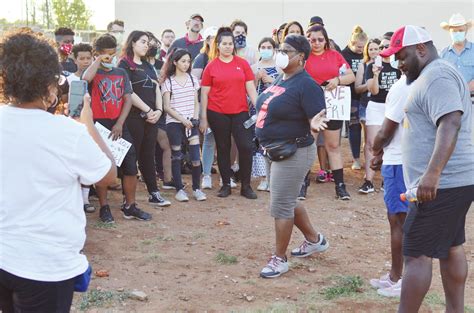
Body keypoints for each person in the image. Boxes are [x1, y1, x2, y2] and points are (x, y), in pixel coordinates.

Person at [0, 29, 116, 313]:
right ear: (49, 84)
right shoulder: (68, 133)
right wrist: (87, 123)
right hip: (45, 265)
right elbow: (107, 175)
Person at [382, 25, 474, 312]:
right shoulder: (430, 76)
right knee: (450, 245)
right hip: (450, 181)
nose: (398, 63)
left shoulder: (438, 75)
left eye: (402, 55)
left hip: (441, 184)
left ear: (421, 48)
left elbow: (450, 121)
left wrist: (431, 175)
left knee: (416, 254)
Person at [256, 35, 330, 278]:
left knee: (281, 205)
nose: (281, 53)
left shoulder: (306, 85)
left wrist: (316, 122)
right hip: (274, 149)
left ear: (301, 57)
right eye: (281, 49)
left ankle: (280, 259)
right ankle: (314, 239)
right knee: (285, 198)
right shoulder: (282, 77)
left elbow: (317, 115)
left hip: (293, 151)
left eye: (287, 50)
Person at [82, 34, 154, 223]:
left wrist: (120, 123)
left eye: (112, 54)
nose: (110, 58)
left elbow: (127, 98)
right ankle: (104, 206)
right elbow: (85, 78)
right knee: (102, 164)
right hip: (98, 125)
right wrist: (97, 60)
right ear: (97, 54)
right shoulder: (94, 72)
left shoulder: (120, 73)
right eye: (105, 55)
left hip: (118, 124)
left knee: (131, 163)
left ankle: (129, 205)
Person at [199, 27, 258, 199]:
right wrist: (203, 118)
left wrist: (261, 108)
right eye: (224, 44)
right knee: (223, 148)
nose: (227, 47)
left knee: (246, 147)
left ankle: (246, 186)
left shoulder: (243, 64)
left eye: (230, 44)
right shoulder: (211, 67)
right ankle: (225, 184)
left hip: (240, 112)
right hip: (217, 113)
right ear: (217, 45)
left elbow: (251, 90)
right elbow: (204, 93)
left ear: (234, 45)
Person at [118, 30, 171, 207]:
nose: (146, 45)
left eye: (147, 42)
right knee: (131, 158)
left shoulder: (148, 65)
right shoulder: (124, 64)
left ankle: (154, 193)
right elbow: (128, 91)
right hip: (133, 118)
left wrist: (158, 110)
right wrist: (147, 110)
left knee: (148, 156)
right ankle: (128, 200)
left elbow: (156, 88)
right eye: (142, 41)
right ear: (132, 43)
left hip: (152, 118)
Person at [368, 75, 410, 298]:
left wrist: (376, 150)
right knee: (399, 219)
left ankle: (401, 278)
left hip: (399, 162)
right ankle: (396, 276)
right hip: (400, 158)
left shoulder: (401, 86)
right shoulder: (414, 83)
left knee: (398, 220)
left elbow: (386, 129)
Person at [305, 25, 355, 200]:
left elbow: (351, 76)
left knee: (333, 146)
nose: (316, 43)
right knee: (308, 144)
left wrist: (338, 79)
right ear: (307, 40)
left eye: (320, 39)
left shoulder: (335, 55)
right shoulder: (303, 57)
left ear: (325, 40)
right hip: (310, 106)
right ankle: (303, 182)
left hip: (332, 105)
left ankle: (340, 185)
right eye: (312, 39)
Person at [162, 49, 206, 202]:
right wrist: (182, 119)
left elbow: (196, 102)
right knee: (177, 156)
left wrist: (194, 118)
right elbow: (166, 106)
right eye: (183, 61)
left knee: (195, 157)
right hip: (174, 123)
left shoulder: (193, 80)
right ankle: (179, 189)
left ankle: (197, 188)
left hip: (190, 123)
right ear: (175, 62)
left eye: (188, 61)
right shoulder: (168, 82)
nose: (186, 64)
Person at [359, 35, 401, 194]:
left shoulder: (399, 66)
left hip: (393, 107)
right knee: (371, 142)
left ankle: (386, 178)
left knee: (391, 142)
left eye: (386, 47)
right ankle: (368, 180)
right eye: (381, 47)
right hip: (376, 106)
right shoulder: (371, 66)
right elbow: (374, 90)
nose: (383, 50)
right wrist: (376, 74)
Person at [251, 37, 280, 192]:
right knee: (259, 144)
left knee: (273, 143)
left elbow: (284, 87)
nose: (266, 49)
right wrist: (256, 79)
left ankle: (273, 178)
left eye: (269, 46)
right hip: (257, 109)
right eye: (263, 46)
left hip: (275, 110)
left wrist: (271, 80)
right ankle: (263, 178)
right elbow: (249, 90)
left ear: (274, 49)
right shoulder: (253, 67)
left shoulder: (280, 68)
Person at [192, 26, 218, 190]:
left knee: (223, 141)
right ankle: (206, 174)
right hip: (205, 103)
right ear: (207, 40)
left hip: (223, 104)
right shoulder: (201, 57)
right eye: (211, 38)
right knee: (208, 139)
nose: (214, 41)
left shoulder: (225, 57)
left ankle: (225, 175)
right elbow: (194, 82)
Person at [341, 26, 368, 171]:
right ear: (351, 43)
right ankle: (356, 158)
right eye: (358, 47)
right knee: (354, 126)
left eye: (363, 47)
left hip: (366, 95)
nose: (361, 50)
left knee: (369, 127)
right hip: (350, 95)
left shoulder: (367, 54)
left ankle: (370, 157)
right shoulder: (343, 54)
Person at [440, 13, 474, 92]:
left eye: (460, 30)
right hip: (450, 98)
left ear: (466, 31)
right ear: (449, 32)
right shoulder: (443, 54)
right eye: (454, 31)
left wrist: (467, 88)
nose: (457, 33)